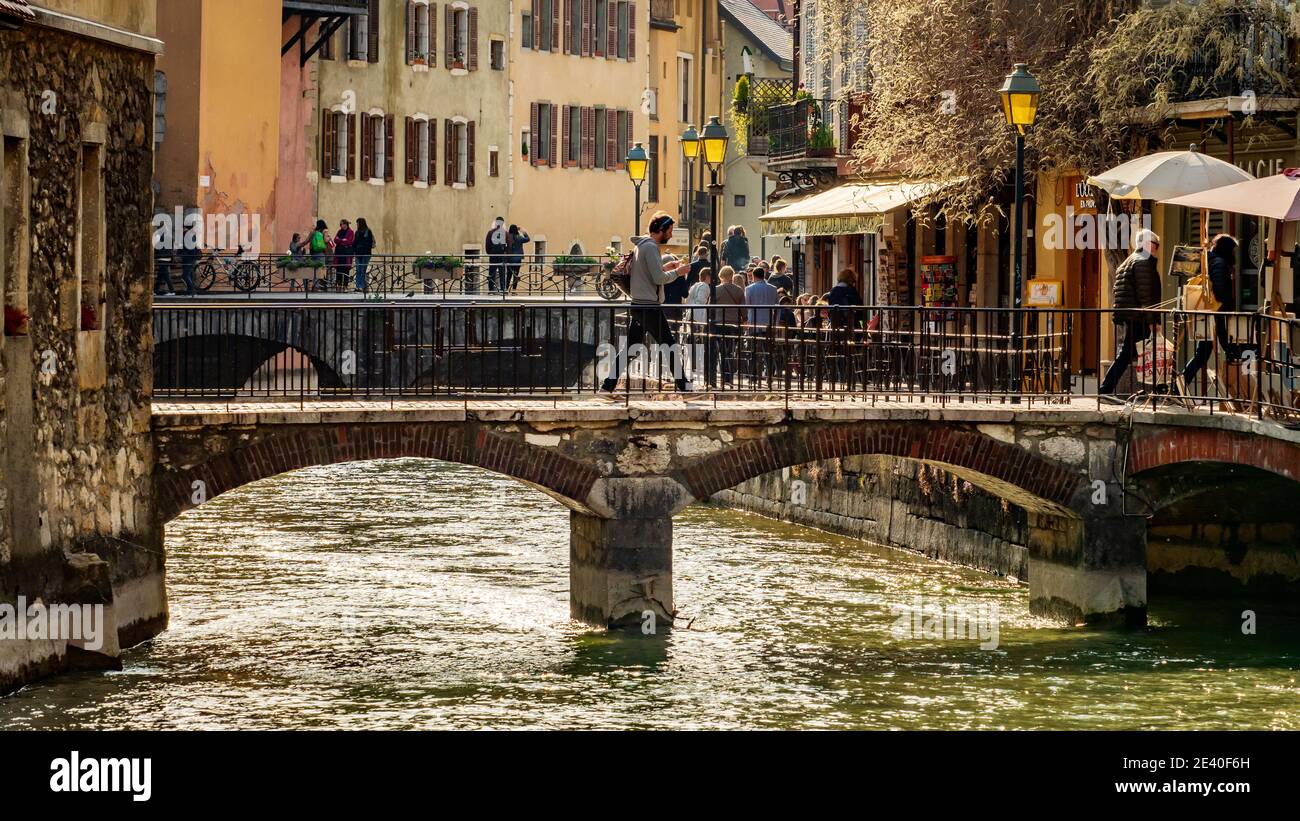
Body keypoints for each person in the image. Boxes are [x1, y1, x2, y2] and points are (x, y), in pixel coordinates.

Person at [601, 213, 691, 393]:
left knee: (631, 349)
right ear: (660, 229)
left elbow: (646, 273)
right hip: (649, 305)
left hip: (639, 303)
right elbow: (658, 278)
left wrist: (666, 267)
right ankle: (685, 387)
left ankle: (607, 385)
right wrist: (678, 273)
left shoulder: (641, 246)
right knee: (669, 346)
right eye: (670, 231)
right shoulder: (651, 247)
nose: (671, 235)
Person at [1099, 229, 1163, 396]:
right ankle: (1106, 388)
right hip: (1139, 317)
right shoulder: (1142, 262)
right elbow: (1145, 295)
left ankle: (1154, 388)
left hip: (1131, 315)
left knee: (1139, 352)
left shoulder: (1130, 260)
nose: (1157, 249)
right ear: (1149, 244)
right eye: (1156, 245)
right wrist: (1153, 321)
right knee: (1138, 352)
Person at [1181, 233, 1237, 391]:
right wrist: (1227, 300)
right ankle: (1236, 385)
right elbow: (1219, 290)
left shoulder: (1210, 260)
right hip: (1216, 312)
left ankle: (1180, 384)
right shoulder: (1219, 263)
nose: (1234, 254)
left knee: (1203, 353)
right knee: (1227, 348)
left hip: (1210, 312)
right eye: (1232, 250)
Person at [713, 266, 746, 386]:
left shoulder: (715, 290)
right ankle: (729, 377)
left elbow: (709, 307)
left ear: (721, 276)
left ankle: (722, 376)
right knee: (731, 351)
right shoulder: (739, 290)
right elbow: (744, 310)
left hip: (719, 323)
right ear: (731, 276)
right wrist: (745, 320)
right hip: (734, 324)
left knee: (721, 351)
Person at [687, 268, 714, 385]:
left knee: (693, 339)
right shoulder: (704, 286)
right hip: (698, 315)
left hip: (690, 313)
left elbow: (687, 300)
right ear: (707, 276)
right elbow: (701, 300)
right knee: (699, 340)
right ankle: (698, 364)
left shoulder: (694, 286)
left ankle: (693, 364)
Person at [485, 216, 509, 293]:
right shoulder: (505, 233)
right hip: (502, 255)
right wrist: (506, 253)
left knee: (492, 272)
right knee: (502, 273)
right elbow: (509, 244)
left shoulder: (490, 232)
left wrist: (490, 253)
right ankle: (503, 289)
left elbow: (487, 244)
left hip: (493, 255)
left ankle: (491, 289)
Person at [352, 218, 375, 291]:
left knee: (362, 270)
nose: (357, 224)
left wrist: (361, 247)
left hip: (365, 254)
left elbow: (369, 243)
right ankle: (358, 286)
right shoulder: (357, 232)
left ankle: (362, 286)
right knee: (358, 270)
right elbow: (354, 243)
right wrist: (354, 251)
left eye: (358, 223)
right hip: (358, 254)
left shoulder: (368, 231)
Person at [506, 224, 530, 292]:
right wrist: (523, 231)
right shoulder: (519, 237)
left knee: (508, 274)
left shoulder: (508, 237)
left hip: (509, 259)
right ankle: (514, 290)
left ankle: (506, 289)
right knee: (516, 275)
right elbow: (528, 239)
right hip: (517, 259)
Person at [332, 219, 355, 290]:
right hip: (339, 253)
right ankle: (339, 284)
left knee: (346, 269)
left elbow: (349, 242)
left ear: (345, 224)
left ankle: (345, 285)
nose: (340, 226)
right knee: (339, 269)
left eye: (341, 224)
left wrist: (340, 240)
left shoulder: (351, 232)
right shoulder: (339, 231)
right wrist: (343, 240)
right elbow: (335, 239)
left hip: (346, 254)